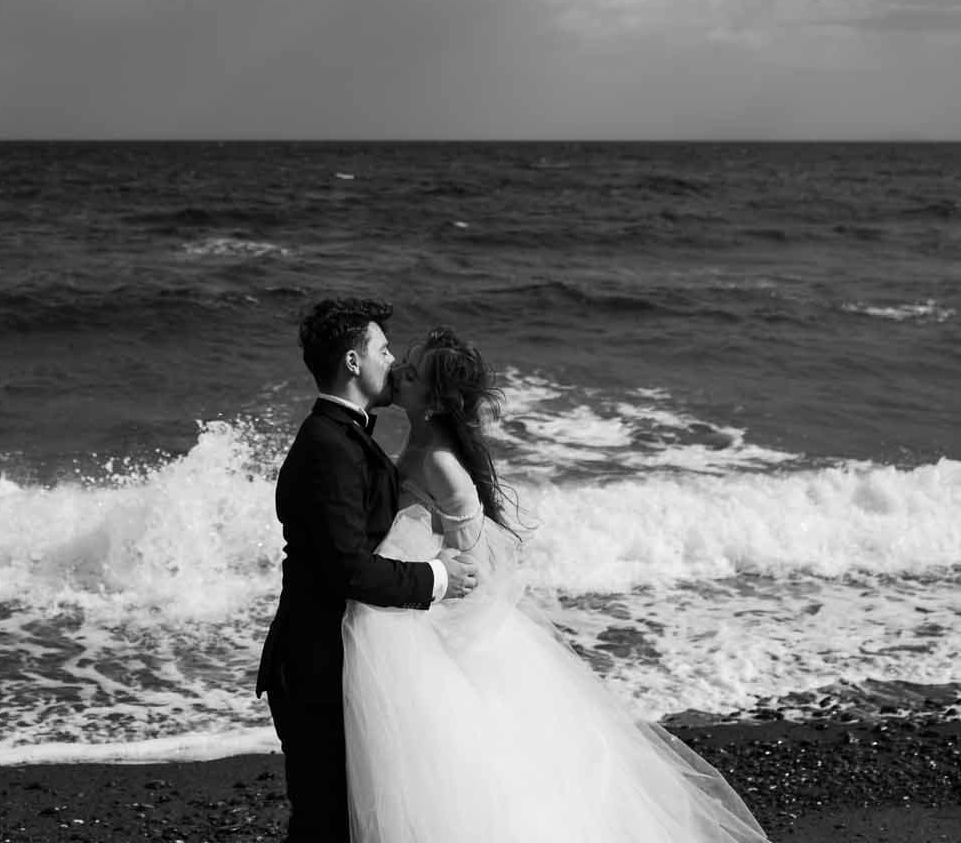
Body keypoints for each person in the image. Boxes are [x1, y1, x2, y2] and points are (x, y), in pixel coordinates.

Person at [339, 327, 772, 843]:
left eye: (409, 373)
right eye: (399, 363)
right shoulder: (424, 444)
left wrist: (439, 628)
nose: (396, 374)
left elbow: (477, 566)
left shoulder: (439, 462)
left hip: (444, 625)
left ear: (431, 402)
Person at [257, 298, 480, 843]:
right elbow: (347, 571)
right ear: (353, 363)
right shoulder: (329, 446)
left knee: (343, 818)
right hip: (313, 668)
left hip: (335, 661)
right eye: (383, 350)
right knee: (324, 821)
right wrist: (439, 577)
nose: (392, 363)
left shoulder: (347, 435)